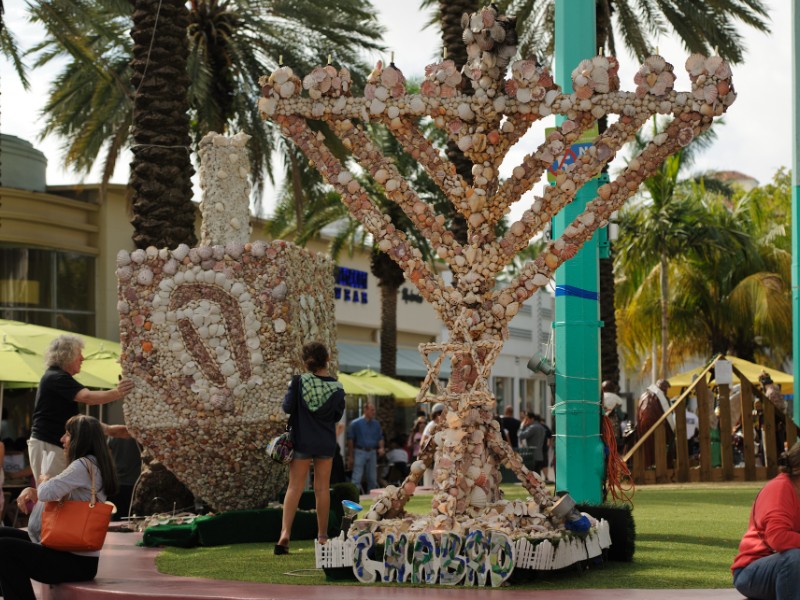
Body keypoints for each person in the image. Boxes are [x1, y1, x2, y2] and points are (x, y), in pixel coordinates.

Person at [0, 414, 119, 600]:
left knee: (4, 548)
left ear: (81, 439)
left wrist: (44, 480)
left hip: (72, 561)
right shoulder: (94, 464)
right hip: (73, 556)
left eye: (67, 435)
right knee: (3, 535)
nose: (62, 439)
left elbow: (46, 491)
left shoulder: (82, 465)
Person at [29, 335, 133, 485]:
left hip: (52, 444)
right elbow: (88, 397)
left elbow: (72, 418)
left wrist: (109, 430)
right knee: (56, 495)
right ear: (67, 356)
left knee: (61, 494)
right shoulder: (56, 377)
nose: (82, 358)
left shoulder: (57, 377)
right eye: (79, 354)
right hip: (49, 445)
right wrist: (119, 392)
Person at [275, 342, 344, 555]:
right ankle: (322, 536)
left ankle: (285, 534)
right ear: (328, 359)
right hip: (325, 441)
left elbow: (287, 407)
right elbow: (336, 416)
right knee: (322, 488)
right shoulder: (337, 387)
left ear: (305, 361)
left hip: (302, 440)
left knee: (295, 487)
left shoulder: (298, 382)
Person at [732, 441, 800, 600]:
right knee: (795, 558)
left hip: (781, 567)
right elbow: (778, 538)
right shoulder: (780, 490)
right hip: (752, 571)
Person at [347, 402, 384, 494]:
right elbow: (350, 440)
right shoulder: (355, 424)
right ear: (365, 410)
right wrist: (351, 456)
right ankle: (353, 496)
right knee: (357, 477)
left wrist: (381, 447)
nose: (373, 412)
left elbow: (380, 438)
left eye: (374, 410)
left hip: (372, 452)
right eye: (372, 410)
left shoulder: (376, 424)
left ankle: (371, 498)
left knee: (372, 478)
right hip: (360, 451)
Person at [107, 437, 142, 521]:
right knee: (132, 518)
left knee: (116, 518)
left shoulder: (112, 437)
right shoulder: (139, 437)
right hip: (134, 483)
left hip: (116, 483)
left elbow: (107, 457)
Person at [420, 403, 445, 488]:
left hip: (439, 457)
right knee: (429, 483)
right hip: (431, 457)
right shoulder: (431, 425)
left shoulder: (443, 424)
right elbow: (423, 443)